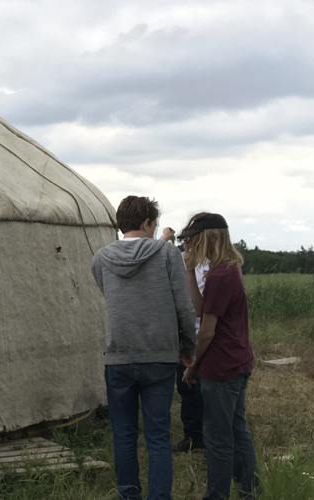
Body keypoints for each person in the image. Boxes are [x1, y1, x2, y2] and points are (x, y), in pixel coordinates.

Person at [91, 195, 197, 500]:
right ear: (147, 222)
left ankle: (129, 495)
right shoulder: (167, 254)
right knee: (158, 436)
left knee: (124, 435)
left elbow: (112, 297)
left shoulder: (101, 258)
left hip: (119, 355)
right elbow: (183, 306)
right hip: (159, 355)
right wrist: (188, 347)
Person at [180, 214, 259, 500]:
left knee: (217, 438)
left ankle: (216, 495)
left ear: (208, 237)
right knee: (237, 429)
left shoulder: (218, 277)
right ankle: (250, 491)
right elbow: (200, 309)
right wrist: (190, 271)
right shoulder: (229, 269)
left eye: (192, 240)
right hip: (237, 360)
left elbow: (206, 332)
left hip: (220, 366)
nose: (189, 246)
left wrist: (192, 365)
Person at [171, 214, 211, 453]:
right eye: (184, 240)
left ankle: (208, 438)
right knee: (185, 387)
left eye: (191, 239)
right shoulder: (180, 261)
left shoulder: (211, 265)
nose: (187, 245)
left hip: (204, 333)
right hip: (184, 334)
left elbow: (199, 308)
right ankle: (193, 436)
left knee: (203, 389)